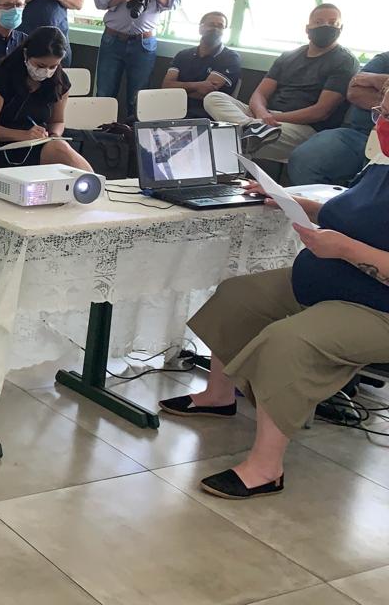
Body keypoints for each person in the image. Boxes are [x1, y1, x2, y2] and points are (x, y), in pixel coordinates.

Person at [156, 85, 389, 499]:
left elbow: (359, 239)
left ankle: (266, 468)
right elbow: (350, 208)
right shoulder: (383, 163)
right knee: (237, 297)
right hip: (325, 279)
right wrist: (287, 200)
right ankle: (218, 395)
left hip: (377, 308)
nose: (381, 124)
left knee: (290, 342)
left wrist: (348, 249)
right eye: (379, 113)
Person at [205, 3, 358, 163]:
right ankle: (248, 128)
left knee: (225, 137)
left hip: (303, 128)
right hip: (265, 118)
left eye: (333, 23)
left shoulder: (344, 61)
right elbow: (259, 94)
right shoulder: (288, 56)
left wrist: (274, 117)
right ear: (307, 28)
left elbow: (321, 112)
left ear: (340, 28)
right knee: (214, 97)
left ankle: (249, 132)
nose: (326, 26)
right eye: (319, 22)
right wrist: (262, 114)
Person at [0, 26, 93, 171]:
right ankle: (95, 187)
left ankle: (93, 186)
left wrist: (53, 135)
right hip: (3, 148)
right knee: (59, 150)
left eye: (53, 66)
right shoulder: (2, 76)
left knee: (58, 147)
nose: (46, 71)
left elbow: (58, 121)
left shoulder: (59, 81)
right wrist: (23, 135)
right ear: (26, 54)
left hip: (39, 144)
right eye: (40, 65)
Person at [289, 52, 389, 186]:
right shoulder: (384, 59)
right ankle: (318, 205)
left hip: (385, 141)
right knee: (306, 158)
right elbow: (354, 92)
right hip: (358, 136)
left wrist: (377, 80)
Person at [161, 11, 241, 119]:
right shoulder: (183, 55)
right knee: (134, 122)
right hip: (171, 106)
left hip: (203, 113)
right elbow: (166, 86)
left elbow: (205, 92)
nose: (215, 29)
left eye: (220, 26)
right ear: (200, 28)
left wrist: (177, 88)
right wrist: (197, 86)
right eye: (211, 24)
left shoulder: (229, 57)